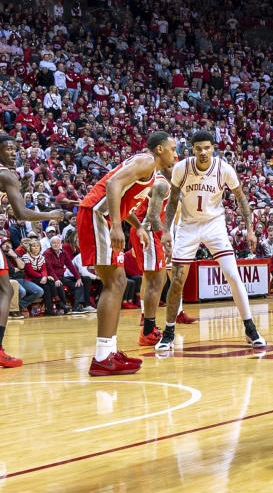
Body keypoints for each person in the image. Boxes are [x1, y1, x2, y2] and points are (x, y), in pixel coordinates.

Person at [77, 130, 177, 376]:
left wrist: (138, 226)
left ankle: (109, 350)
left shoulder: (151, 172)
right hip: (97, 215)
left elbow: (124, 201)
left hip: (101, 216)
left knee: (118, 283)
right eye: (173, 149)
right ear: (160, 149)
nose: (176, 153)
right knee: (116, 282)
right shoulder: (146, 161)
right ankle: (102, 357)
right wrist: (114, 225)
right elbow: (112, 184)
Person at [155, 131, 265, 350]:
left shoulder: (224, 169)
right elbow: (173, 201)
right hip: (187, 226)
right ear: (192, 150)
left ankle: (250, 328)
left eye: (207, 147)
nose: (203, 152)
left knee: (233, 275)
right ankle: (168, 332)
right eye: (198, 148)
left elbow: (242, 199)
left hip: (214, 225)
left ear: (213, 148)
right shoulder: (181, 168)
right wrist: (166, 230)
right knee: (176, 282)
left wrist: (250, 230)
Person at [0, 135, 68, 364]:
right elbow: (21, 214)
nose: (12, 152)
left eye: (14, 149)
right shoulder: (6, 174)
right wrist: (49, 214)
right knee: (4, 292)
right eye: (7, 149)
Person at [129, 165, 172, 345]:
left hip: (145, 231)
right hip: (149, 232)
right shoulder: (161, 184)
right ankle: (148, 331)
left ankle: (149, 327)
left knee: (157, 280)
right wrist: (164, 240)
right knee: (156, 281)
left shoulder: (157, 182)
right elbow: (153, 216)